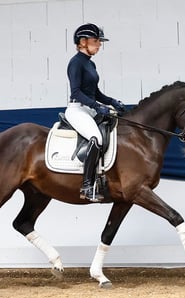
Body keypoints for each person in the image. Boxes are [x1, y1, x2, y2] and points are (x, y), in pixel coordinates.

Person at [65, 23, 125, 202]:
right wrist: (97, 106)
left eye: (99, 41)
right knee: (96, 138)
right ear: (82, 42)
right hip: (77, 110)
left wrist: (112, 102)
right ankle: (87, 186)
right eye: (96, 41)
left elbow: (96, 92)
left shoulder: (91, 64)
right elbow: (76, 92)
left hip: (89, 109)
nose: (99, 45)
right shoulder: (75, 63)